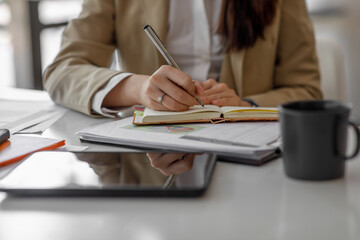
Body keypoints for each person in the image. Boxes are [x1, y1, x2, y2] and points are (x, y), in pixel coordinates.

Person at [43, 0, 322, 117]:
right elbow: (62, 71)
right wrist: (138, 88)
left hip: (249, 160)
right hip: (146, 159)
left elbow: (307, 91)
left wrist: (244, 105)